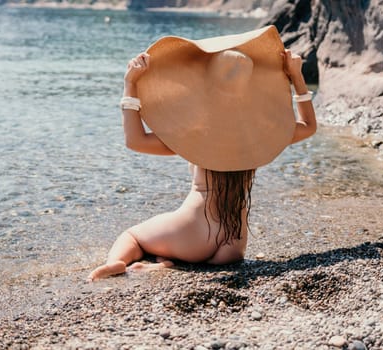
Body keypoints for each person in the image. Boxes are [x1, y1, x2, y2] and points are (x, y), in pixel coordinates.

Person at [87, 47, 316, 282]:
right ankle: (166, 266)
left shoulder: (197, 131)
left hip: (194, 231)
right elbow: (308, 126)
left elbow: (135, 141)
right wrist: (296, 76)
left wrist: (130, 83)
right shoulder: (261, 132)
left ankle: (116, 263)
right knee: (190, 258)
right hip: (233, 243)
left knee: (133, 237)